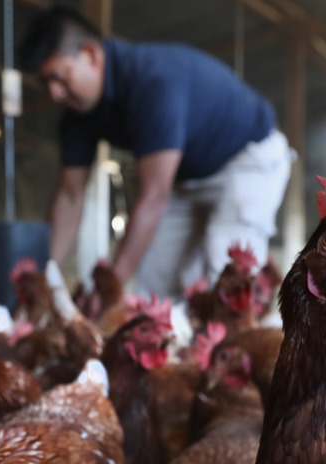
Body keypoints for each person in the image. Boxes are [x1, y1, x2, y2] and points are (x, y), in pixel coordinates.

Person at [18, 6, 292, 298]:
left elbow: (153, 197)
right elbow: (70, 196)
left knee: (226, 270)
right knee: (155, 282)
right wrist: (45, 276)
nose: (54, 93)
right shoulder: (76, 115)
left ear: (91, 54)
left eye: (59, 77)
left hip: (246, 158)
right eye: (45, 82)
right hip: (185, 177)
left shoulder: (152, 82)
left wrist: (107, 292)